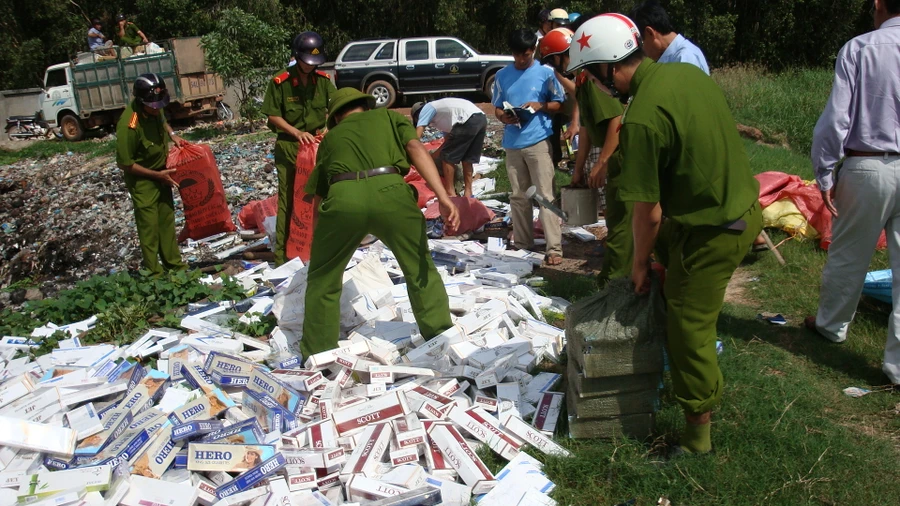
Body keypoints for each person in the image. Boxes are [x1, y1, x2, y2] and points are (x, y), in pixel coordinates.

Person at [568, 14, 761, 454]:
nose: (596, 88)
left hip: (714, 228)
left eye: (594, 78)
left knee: (688, 326)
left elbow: (647, 213)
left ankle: (697, 438)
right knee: (676, 291)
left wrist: (639, 265)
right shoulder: (685, 75)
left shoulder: (642, 119)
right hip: (734, 208)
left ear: (608, 68)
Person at [300, 88, 461, 357]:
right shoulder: (389, 117)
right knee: (419, 266)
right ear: (366, 106)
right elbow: (415, 148)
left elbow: (318, 196)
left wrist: (320, 244)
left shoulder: (331, 138)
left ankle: (318, 353)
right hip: (391, 193)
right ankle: (440, 335)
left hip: (343, 198)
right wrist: (443, 196)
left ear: (337, 116)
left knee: (323, 279)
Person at [805, 0, 900, 386]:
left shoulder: (861, 48)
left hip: (868, 163)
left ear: (878, 6)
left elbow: (836, 117)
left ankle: (831, 326)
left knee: (849, 253)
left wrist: (824, 172)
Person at [543, 24, 632, 285]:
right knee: (614, 217)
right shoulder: (583, 81)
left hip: (618, 158)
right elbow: (587, 128)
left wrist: (602, 162)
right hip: (609, 157)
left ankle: (622, 277)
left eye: (553, 61)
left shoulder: (592, 81)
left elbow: (616, 118)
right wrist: (578, 169)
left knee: (621, 218)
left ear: (561, 56)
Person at [261, 32, 336, 266]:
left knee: (320, 197)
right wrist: (296, 133)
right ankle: (284, 255)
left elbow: (336, 106)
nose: (310, 67)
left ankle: (319, 247)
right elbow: (273, 115)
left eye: (314, 63)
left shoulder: (322, 81)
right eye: (306, 62)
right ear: (296, 57)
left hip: (315, 147)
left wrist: (327, 128)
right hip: (290, 146)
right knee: (289, 200)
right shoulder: (280, 82)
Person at [492, 28, 565, 266]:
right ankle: (523, 243)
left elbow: (558, 103)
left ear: (532, 50)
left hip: (538, 141)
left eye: (524, 54)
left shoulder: (546, 73)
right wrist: (504, 117)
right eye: (516, 55)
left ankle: (554, 248)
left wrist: (539, 105)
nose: (520, 60)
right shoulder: (502, 75)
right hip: (512, 143)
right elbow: (497, 107)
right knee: (518, 196)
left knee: (545, 195)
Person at [116, 73, 188, 275]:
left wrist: (172, 135)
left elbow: (162, 119)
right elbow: (125, 163)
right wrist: (156, 176)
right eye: (153, 106)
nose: (158, 109)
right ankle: (154, 272)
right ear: (141, 102)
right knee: (149, 226)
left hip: (163, 172)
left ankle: (174, 265)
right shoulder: (129, 125)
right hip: (143, 179)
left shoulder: (155, 107)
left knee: (167, 220)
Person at [411, 98, 487, 197]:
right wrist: (432, 157)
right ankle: (468, 193)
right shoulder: (443, 115)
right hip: (480, 119)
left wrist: (413, 155)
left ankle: (450, 193)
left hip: (466, 119)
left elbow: (416, 137)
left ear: (418, 115)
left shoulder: (427, 108)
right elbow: (447, 142)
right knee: (467, 159)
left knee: (447, 158)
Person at [628, 1, 710, 75]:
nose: (642, 51)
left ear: (650, 33)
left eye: (640, 44)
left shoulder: (685, 59)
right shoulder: (674, 57)